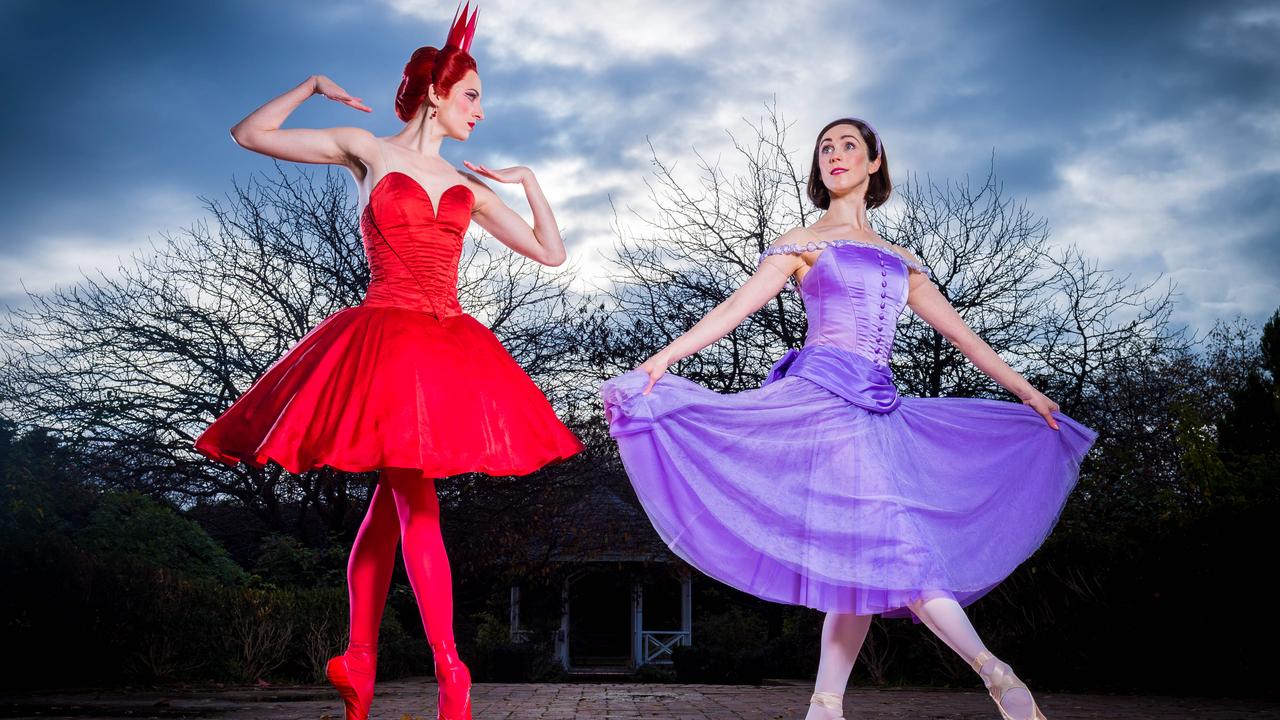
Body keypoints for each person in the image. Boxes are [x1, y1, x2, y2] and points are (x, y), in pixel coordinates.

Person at [600, 116, 1096, 720]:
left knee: (860, 563)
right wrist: (661, 361)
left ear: (874, 162)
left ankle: (825, 706)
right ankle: (997, 674)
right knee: (898, 548)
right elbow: (736, 307)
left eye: (849, 146)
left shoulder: (901, 259)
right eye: (825, 148)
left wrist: (1027, 392)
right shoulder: (801, 240)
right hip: (823, 403)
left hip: (880, 409)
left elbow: (962, 334)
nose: (835, 155)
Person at [194, 5, 583, 719]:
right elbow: (249, 134)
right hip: (385, 340)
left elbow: (550, 253)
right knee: (412, 495)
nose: (481, 111)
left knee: (395, 497)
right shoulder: (367, 150)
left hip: (446, 343)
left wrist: (528, 182)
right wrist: (312, 82)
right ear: (437, 92)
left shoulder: (468, 185)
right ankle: (450, 669)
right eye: (472, 96)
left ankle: (360, 662)